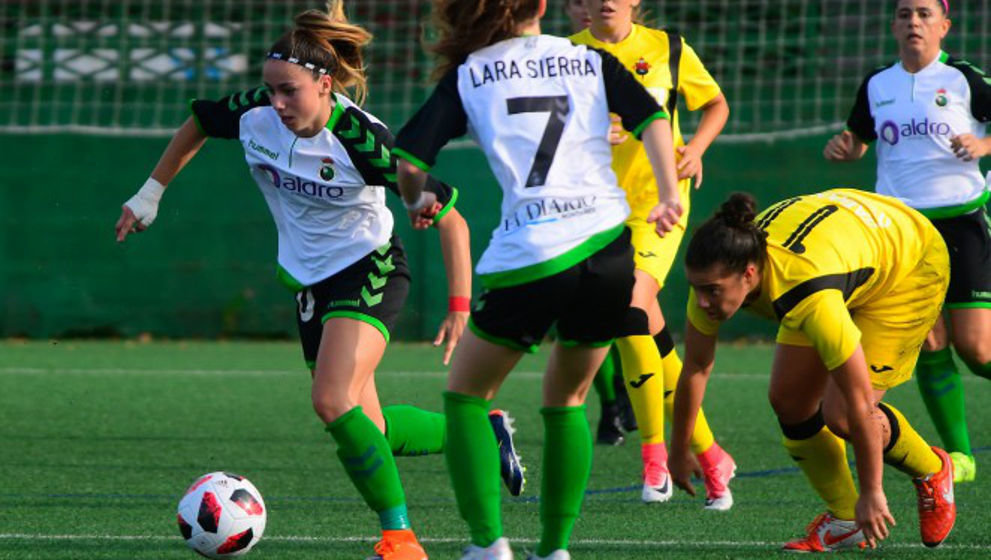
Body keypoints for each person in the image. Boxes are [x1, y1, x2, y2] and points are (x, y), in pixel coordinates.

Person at [113, 3, 524, 559]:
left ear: (324, 84)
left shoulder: (361, 139)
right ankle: (481, 432)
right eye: (270, 89)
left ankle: (399, 537)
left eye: (289, 91)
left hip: (371, 266)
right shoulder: (256, 112)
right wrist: (148, 195)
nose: (276, 102)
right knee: (367, 424)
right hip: (310, 281)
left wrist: (458, 306)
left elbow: (451, 215)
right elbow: (200, 123)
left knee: (330, 400)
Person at [393, 1, 682, 557]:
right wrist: (669, 195)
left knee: (466, 398)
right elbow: (653, 119)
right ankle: (554, 550)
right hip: (609, 250)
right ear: (543, 7)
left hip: (533, 252)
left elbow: (408, 165)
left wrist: (419, 200)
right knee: (568, 400)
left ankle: (488, 546)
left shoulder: (471, 73)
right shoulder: (589, 59)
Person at [668, 189, 957, 552]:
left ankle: (932, 471)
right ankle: (845, 519)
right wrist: (678, 449)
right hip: (848, 249)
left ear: (750, 273)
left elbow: (860, 404)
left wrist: (872, 492)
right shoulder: (719, 280)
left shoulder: (807, 293)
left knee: (841, 414)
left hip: (909, 263)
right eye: (696, 289)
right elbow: (695, 367)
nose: (702, 302)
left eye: (712, 290)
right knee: (790, 401)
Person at [570, 0, 736, 509]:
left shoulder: (667, 47)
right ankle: (710, 455)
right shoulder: (565, 55)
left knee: (629, 305)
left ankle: (656, 458)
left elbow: (716, 105)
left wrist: (696, 149)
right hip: (594, 209)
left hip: (659, 205)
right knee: (644, 333)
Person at [824, 0, 991, 484]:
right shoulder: (879, 84)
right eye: (904, 14)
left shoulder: (964, 79)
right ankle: (961, 458)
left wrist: (982, 145)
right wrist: (845, 148)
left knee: (978, 349)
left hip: (961, 223)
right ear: (894, 26)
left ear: (944, 25)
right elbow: (857, 139)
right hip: (901, 230)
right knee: (931, 340)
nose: (913, 22)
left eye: (923, 14)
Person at [562, 0, 639, 448]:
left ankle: (635, 404)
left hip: (637, 205)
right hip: (575, 205)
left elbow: (653, 115)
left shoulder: (647, 51)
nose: (587, 7)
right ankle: (612, 404)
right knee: (584, 309)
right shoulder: (559, 56)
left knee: (628, 310)